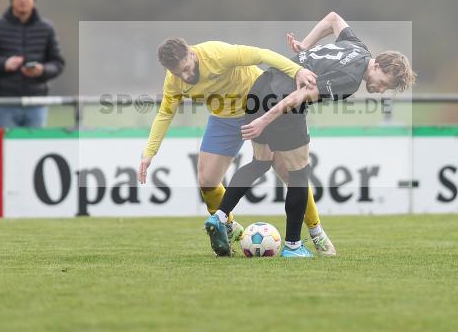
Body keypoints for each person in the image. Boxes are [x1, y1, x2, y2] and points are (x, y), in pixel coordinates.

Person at [204, 12, 416, 258]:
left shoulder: (357, 46)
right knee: (299, 174)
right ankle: (293, 246)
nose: (381, 90)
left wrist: (305, 45)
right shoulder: (350, 79)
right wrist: (264, 120)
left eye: (386, 89)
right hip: (283, 103)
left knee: (261, 162)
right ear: (378, 65)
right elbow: (303, 94)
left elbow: (333, 18)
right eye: (384, 82)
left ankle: (220, 217)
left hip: (261, 85)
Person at [138, 37, 339, 256]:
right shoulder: (174, 81)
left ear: (192, 54)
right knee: (207, 181)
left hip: (259, 107)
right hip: (224, 118)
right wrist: (149, 153)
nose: (185, 77)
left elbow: (262, 54)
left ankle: (316, 232)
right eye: (178, 73)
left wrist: (297, 71)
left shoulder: (217, 54)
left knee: (289, 173)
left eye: (186, 68)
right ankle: (229, 228)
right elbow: (166, 113)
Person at [0, 0, 65, 128]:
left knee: (35, 149)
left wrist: (42, 70)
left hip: (36, 103)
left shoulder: (47, 29)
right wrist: (4, 64)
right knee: (6, 148)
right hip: (5, 103)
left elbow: (58, 63)